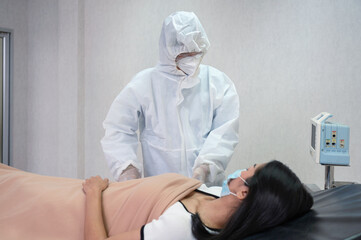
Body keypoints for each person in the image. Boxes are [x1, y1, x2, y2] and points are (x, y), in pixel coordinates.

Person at [101, 11, 240, 185]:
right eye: (184, 55)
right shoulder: (144, 84)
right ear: (168, 50)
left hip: (206, 188)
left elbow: (225, 132)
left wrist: (205, 168)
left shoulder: (218, 83)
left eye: (195, 54)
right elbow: (117, 128)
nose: (191, 60)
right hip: (159, 190)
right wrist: (127, 169)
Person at [83, 160, 314, 240]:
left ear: (244, 193)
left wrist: (93, 193)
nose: (241, 170)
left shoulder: (181, 227)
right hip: (108, 193)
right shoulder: (216, 195)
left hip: (88, 203)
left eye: (248, 169)